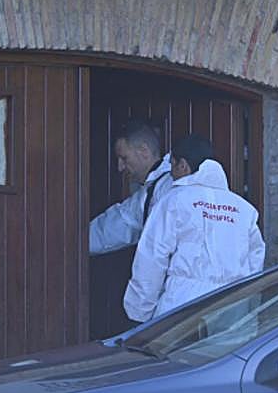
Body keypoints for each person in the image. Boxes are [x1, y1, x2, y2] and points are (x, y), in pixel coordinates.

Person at [123, 133, 265, 322]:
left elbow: (152, 257)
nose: (170, 174)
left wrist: (139, 311)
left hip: (182, 307)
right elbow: (255, 264)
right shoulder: (244, 210)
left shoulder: (174, 201)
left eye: (172, 165)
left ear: (183, 165)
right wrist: (249, 310)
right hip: (233, 309)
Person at [89, 120, 172, 255]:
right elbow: (117, 224)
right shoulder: (153, 189)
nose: (120, 167)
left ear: (144, 151)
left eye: (124, 158)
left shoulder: (168, 187)